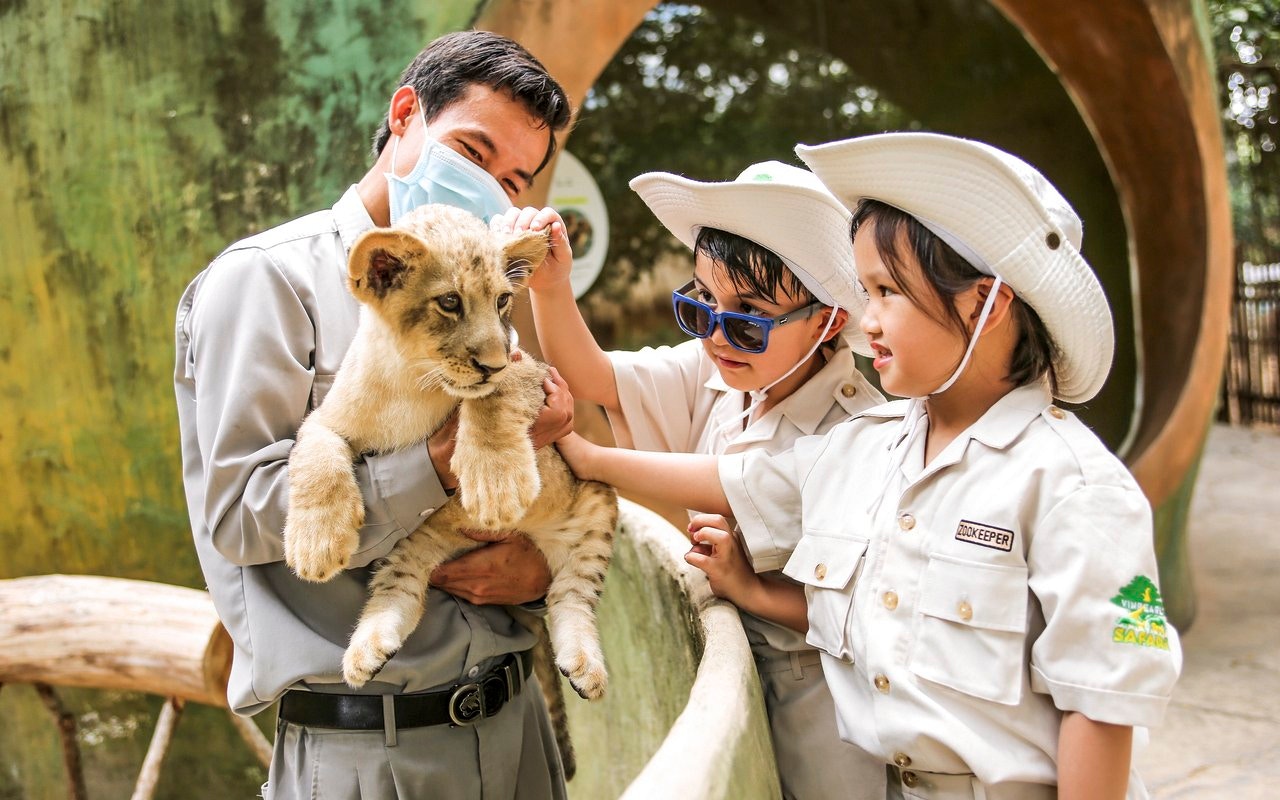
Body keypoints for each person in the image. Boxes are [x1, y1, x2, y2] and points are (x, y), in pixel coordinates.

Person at [555, 132, 1182, 799]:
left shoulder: (1074, 487)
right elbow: (741, 487)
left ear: (985, 303)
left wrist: (588, 456)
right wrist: (753, 590)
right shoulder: (870, 445)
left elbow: (1100, 707)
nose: (868, 320)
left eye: (887, 293)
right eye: (865, 290)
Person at [174, 31, 575, 800]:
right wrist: (437, 462)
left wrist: (539, 572)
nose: (490, 186)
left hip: (515, 721)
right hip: (368, 743)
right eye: (472, 150)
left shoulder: (489, 284)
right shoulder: (267, 283)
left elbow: (528, 475)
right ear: (404, 116)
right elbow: (238, 515)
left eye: (515, 179)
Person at [494, 160, 886, 799]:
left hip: (829, 710)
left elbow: (739, 480)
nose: (717, 336)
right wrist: (551, 287)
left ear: (829, 321)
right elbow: (594, 378)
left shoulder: (859, 429)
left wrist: (589, 458)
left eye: (748, 318)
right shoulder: (721, 374)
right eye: (701, 305)